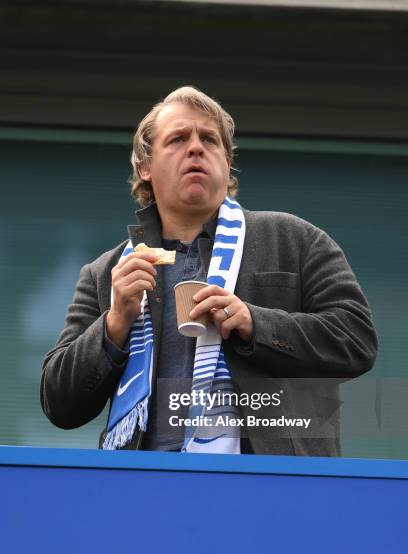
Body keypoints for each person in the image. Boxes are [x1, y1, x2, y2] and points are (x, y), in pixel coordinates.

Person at [41, 86, 378, 456]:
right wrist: (114, 323)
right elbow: (59, 404)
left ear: (227, 161)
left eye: (210, 140)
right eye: (178, 139)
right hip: (143, 487)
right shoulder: (107, 274)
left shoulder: (295, 240)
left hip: (271, 485)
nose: (197, 147)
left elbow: (356, 341)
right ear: (145, 167)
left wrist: (255, 323)